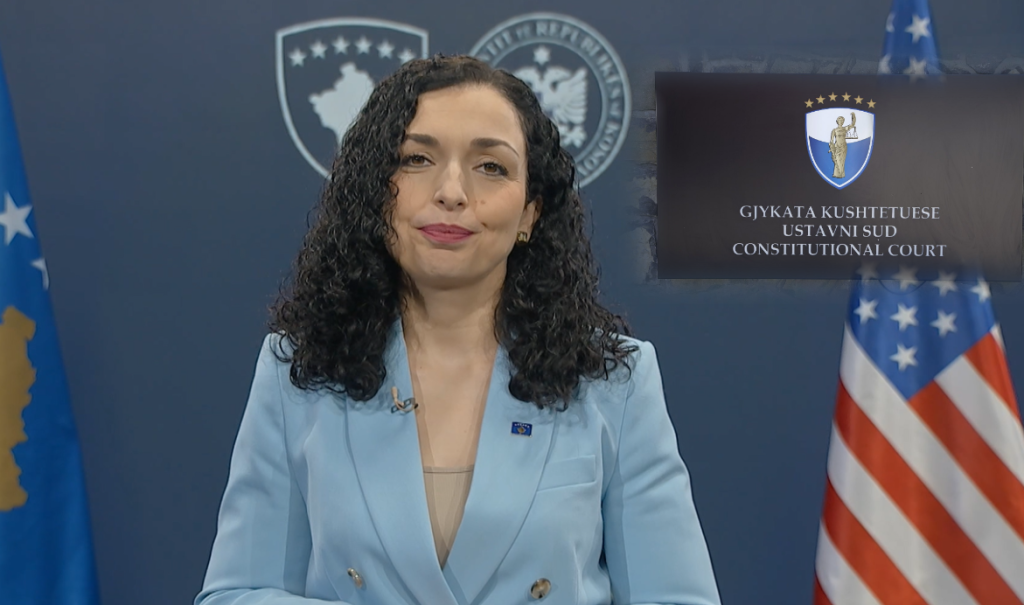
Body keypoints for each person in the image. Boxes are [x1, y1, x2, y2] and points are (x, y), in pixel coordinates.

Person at [195, 54, 721, 605]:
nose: (451, 191)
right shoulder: (298, 370)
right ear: (375, 192)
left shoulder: (614, 381)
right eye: (417, 159)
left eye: (490, 166)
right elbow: (236, 594)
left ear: (530, 213)